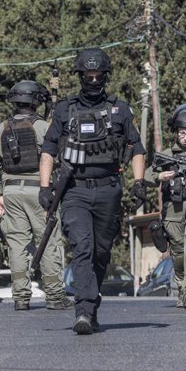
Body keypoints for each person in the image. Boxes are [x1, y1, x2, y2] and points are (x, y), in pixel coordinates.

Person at [39, 48, 146, 335]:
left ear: (106, 76)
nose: (94, 80)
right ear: (80, 76)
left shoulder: (120, 109)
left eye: (98, 75)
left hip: (109, 189)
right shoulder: (63, 109)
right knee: (83, 248)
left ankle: (91, 306)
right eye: (88, 75)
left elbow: (136, 148)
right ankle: (83, 310)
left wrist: (138, 182)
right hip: (74, 191)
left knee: (101, 252)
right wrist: (45, 186)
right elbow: (49, 149)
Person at [0, 80, 72, 311]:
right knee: (48, 241)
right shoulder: (43, 127)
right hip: (39, 190)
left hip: (11, 191)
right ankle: (54, 296)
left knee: (16, 244)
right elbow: (59, 157)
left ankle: (21, 297)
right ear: (36, 102)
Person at [144, 104, 186, 309]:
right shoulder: (167, 155)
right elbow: (147, 176)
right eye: (182, 133)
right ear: (177, 133)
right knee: (179, 253)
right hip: (173, 210)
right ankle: (181, 285)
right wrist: (160, 176)